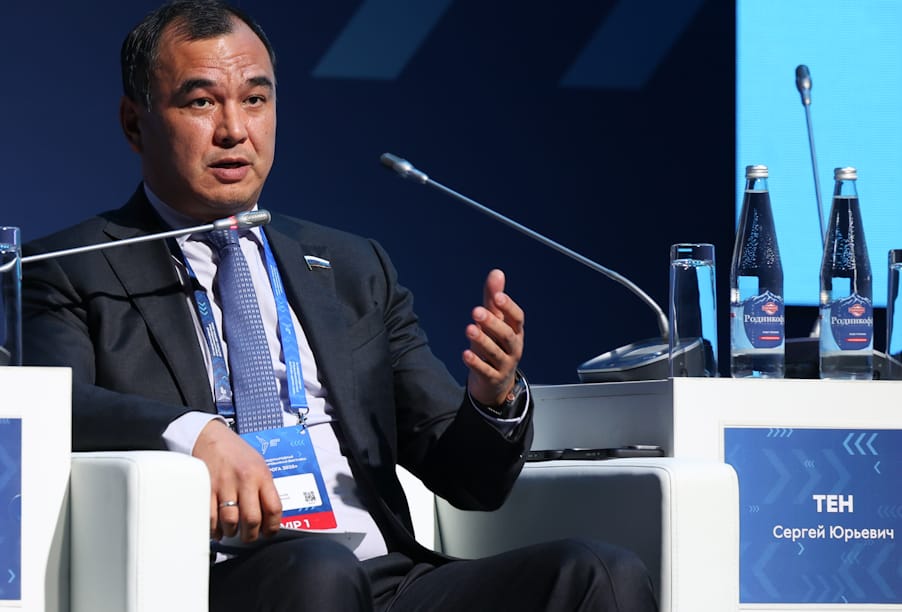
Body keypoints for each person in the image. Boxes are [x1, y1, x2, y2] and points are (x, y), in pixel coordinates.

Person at [22, 1, 658, 610]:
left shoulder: (353, 267)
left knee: (598, 574)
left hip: (382, 579)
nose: (235, 130)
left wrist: (494, 400)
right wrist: (194, 433)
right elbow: (50, 407)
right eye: (201, 102)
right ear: (135, 123)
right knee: (317, 572)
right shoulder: (71, 267)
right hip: (213, 579)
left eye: (255, 99)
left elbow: (468, 478)